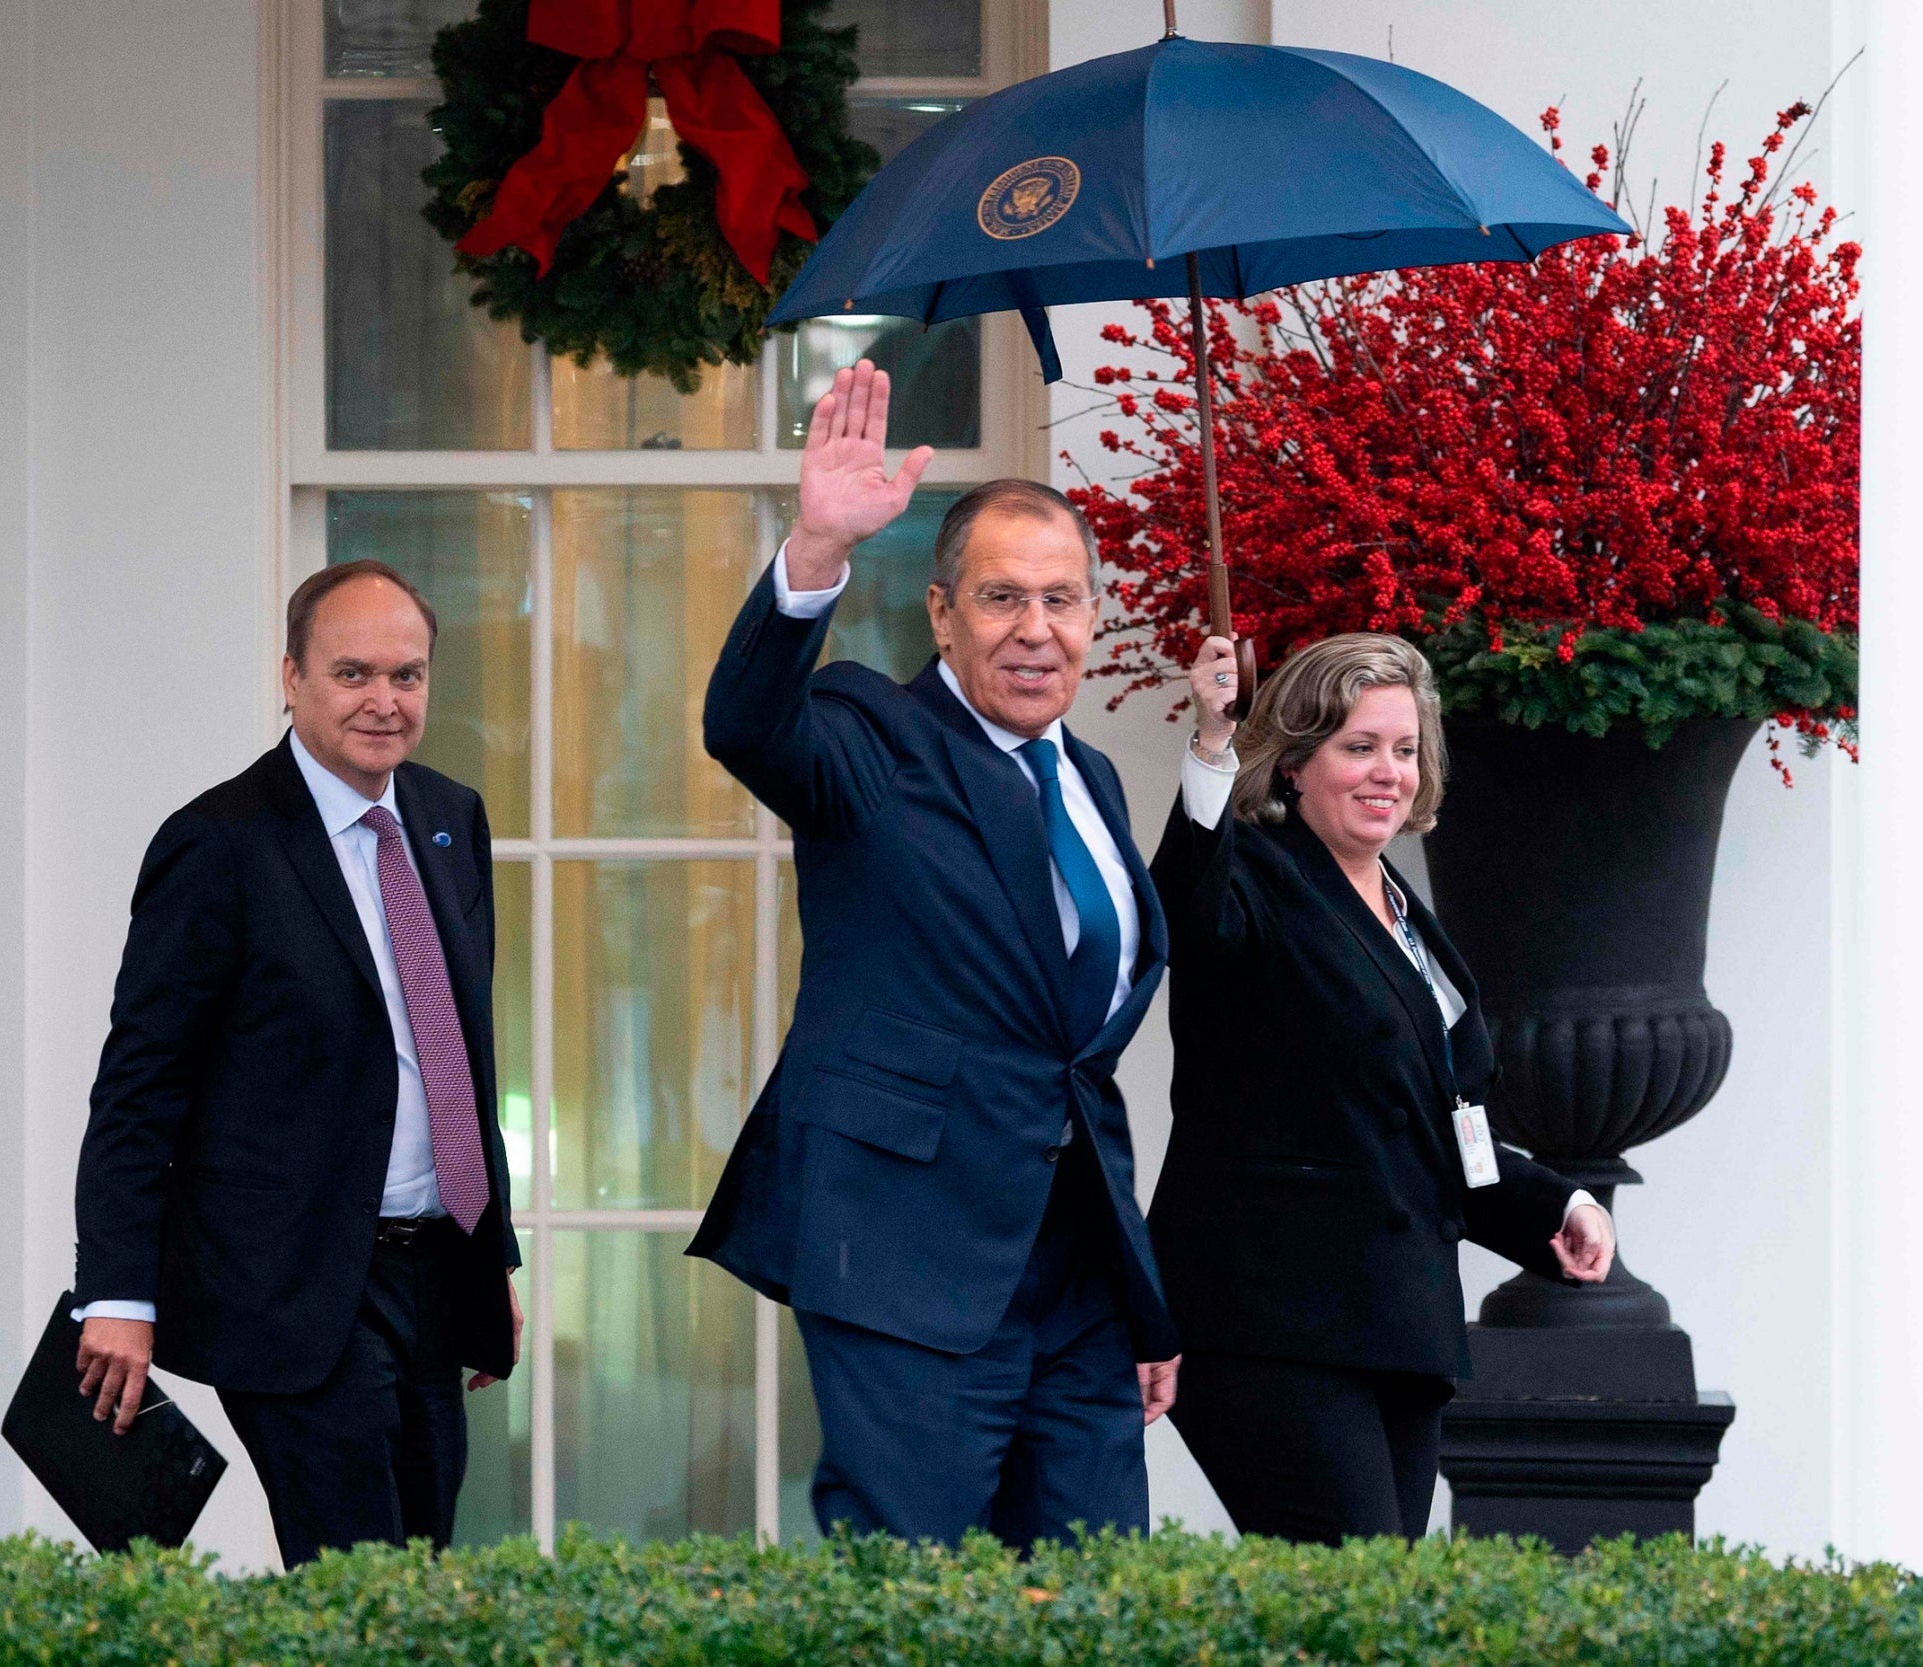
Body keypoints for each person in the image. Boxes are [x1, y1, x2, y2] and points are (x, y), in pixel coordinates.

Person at [688, 361, 1179, 1547]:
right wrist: (813, 549)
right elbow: (746, 724)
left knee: (1097, 1601)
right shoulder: (874, 734)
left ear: (1093, 616)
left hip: (1074, 1278)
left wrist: (1139, 1295)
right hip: (908, 1258)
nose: (1035, 629)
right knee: (914, 1599)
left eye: (1061, 600)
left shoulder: (1094, 781)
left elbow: (1077, 1059)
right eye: (1002, 598)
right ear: (942, 614)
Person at [70, 561, 521, 1569]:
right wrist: (117, 1294)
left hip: (432, 1270)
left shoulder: (451, 819)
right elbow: (139, 1088)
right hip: (293, 1284)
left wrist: (490, 1252)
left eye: (406, 675)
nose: (383, 700)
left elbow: (457, 1054)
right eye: (352, 671)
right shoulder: (215, 843)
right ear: (291, 675)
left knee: (420, 1576)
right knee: (357, 1577)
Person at [1147, 631, 1617, 1544]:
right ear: (1291, 764)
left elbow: (1438, 1127)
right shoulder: (1251, 877)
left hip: (1397, 1326)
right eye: (1358, 747)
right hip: (1271, 1324)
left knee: (1375, 1617)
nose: (1387, 773)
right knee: (1353, 1590)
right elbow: (1186, 911)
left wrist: (1552, 1204)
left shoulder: (1402, 907)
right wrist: (1211, 741)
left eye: (1404, 750)